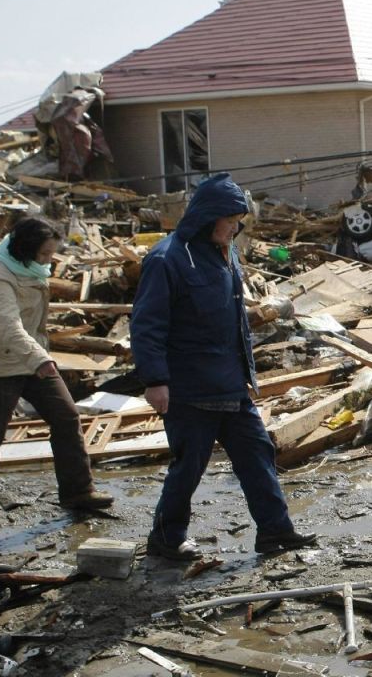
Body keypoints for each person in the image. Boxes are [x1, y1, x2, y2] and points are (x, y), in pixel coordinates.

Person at [131, 174, 315, 560]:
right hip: (189, 388)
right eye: (230, 219)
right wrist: (155, 380)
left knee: (258, 454)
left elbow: (236, 321)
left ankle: (275, 531)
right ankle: (165, 539)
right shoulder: (168, 259)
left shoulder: (225, 254)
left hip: (231, 384)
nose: (235, 228)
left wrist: (248, 374)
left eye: (238, 221)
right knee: (188, 468)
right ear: (208, 216)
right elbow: (147, 324)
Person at [0, 218, 114, 521]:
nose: (48, 262)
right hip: (1, 362)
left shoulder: (25, 266)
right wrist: (41, 360)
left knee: (66, 417)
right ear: (25, 250)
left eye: (51, 254)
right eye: (43, 255)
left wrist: (38, 357)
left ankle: (79, 491)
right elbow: (10, 328)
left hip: (32, 357)